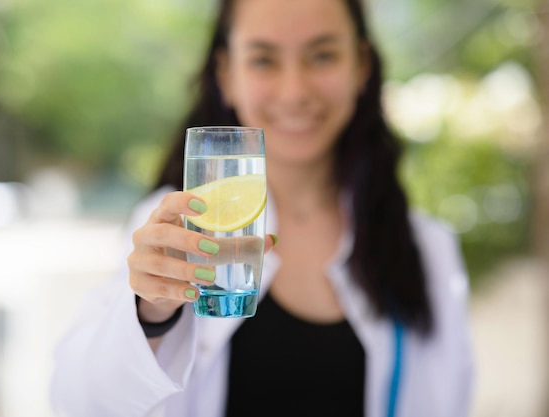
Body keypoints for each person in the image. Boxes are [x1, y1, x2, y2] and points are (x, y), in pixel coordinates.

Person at [50, 0, 474, 416]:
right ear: (226, 74)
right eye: (263, 60)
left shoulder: (428, 248)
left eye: (322, 55)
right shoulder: (171, 230)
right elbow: (78, 402)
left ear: (361, 66)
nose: (295, 91)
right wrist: (151, 312)